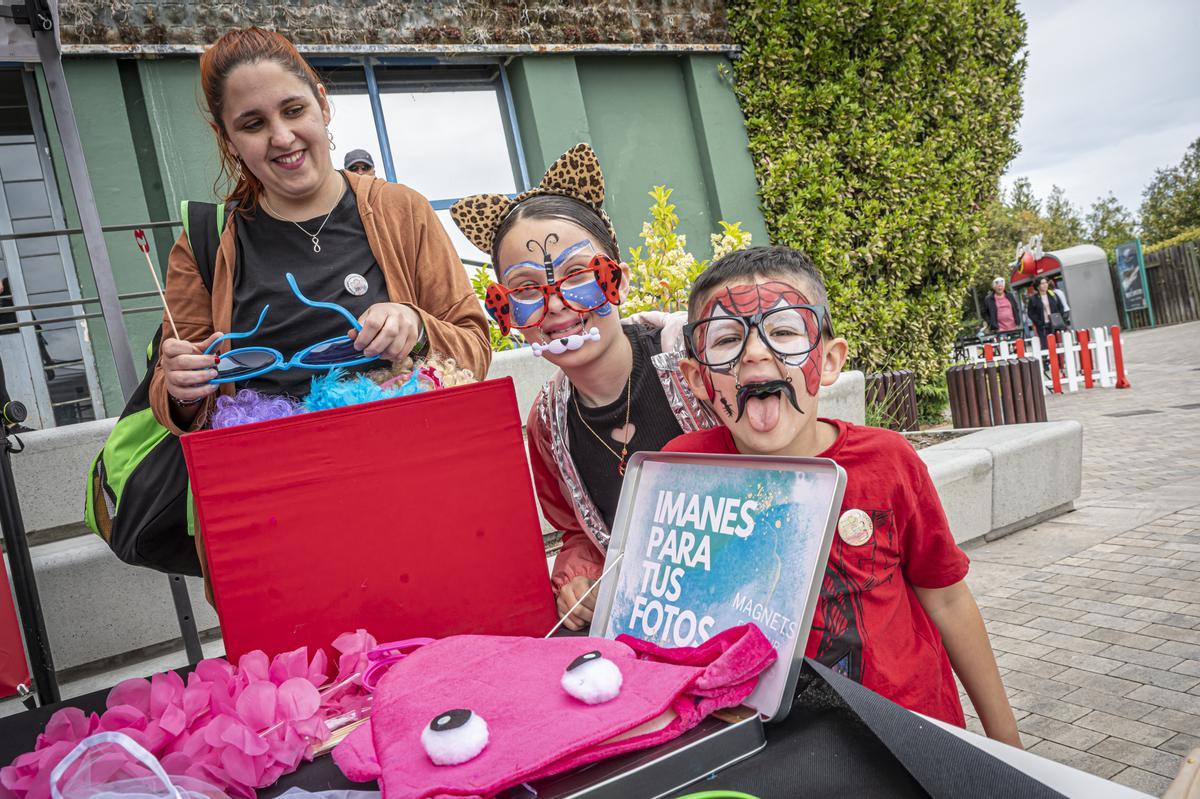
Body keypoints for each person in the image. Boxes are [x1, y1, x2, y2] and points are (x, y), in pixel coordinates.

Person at [664, 245, 1022, 747]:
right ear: (699, 378)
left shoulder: (889, 461)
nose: (755, 353)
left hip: (914, 732)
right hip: (776, 750)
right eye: (726, 339)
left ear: (829, 360)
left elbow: (946, 599)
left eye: (784, 331)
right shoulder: (686, 470)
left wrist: (1006, 745)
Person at [152, 28, 489, 434]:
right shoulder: (205, 241)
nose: (282, 137)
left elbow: (475, 349)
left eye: (293, 110)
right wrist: (182, 388)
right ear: (227, 138)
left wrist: (416, 328)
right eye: (253, 124)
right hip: (274, 477)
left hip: (408, 455)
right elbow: (175, 402)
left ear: (322, 104)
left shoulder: (401, 209)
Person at [451, 143, 717, 631]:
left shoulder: (701, 355)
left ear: (619, 279)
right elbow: (578, 532)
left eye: (577, 275)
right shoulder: (548, 424)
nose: (554, 305)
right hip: (657, 629)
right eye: (527, 289)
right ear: (506, 312)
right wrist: (578, 580)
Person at [1025, 276, 1064, 349]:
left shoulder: (1053, 295)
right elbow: (1030, 313)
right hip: (1042, 326)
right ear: (1037, 286)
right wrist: (1038, 322)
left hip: (1055, 325)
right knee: (1046, 346)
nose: (1045, 285)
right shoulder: (1033, 299)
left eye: (1046, 282)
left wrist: (1058, 318)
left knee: (1057, 346)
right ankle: (1048, 360)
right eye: (1042, 283)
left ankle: (1058, 360)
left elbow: (1061, 307)